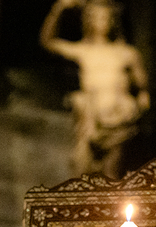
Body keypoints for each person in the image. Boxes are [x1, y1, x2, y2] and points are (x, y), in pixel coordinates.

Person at [40, 0, 149, 177]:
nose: (100, 22)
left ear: (112, 21)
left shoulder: (126, 53)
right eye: (96, 17)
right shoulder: (83, 50)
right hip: (90, 119)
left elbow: (142, 86)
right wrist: (58, 9)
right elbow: (48, 42)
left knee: (111, 173)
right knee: (82, 170)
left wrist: (141, 100)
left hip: (117, 118)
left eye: (104, 17)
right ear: (89, 21)